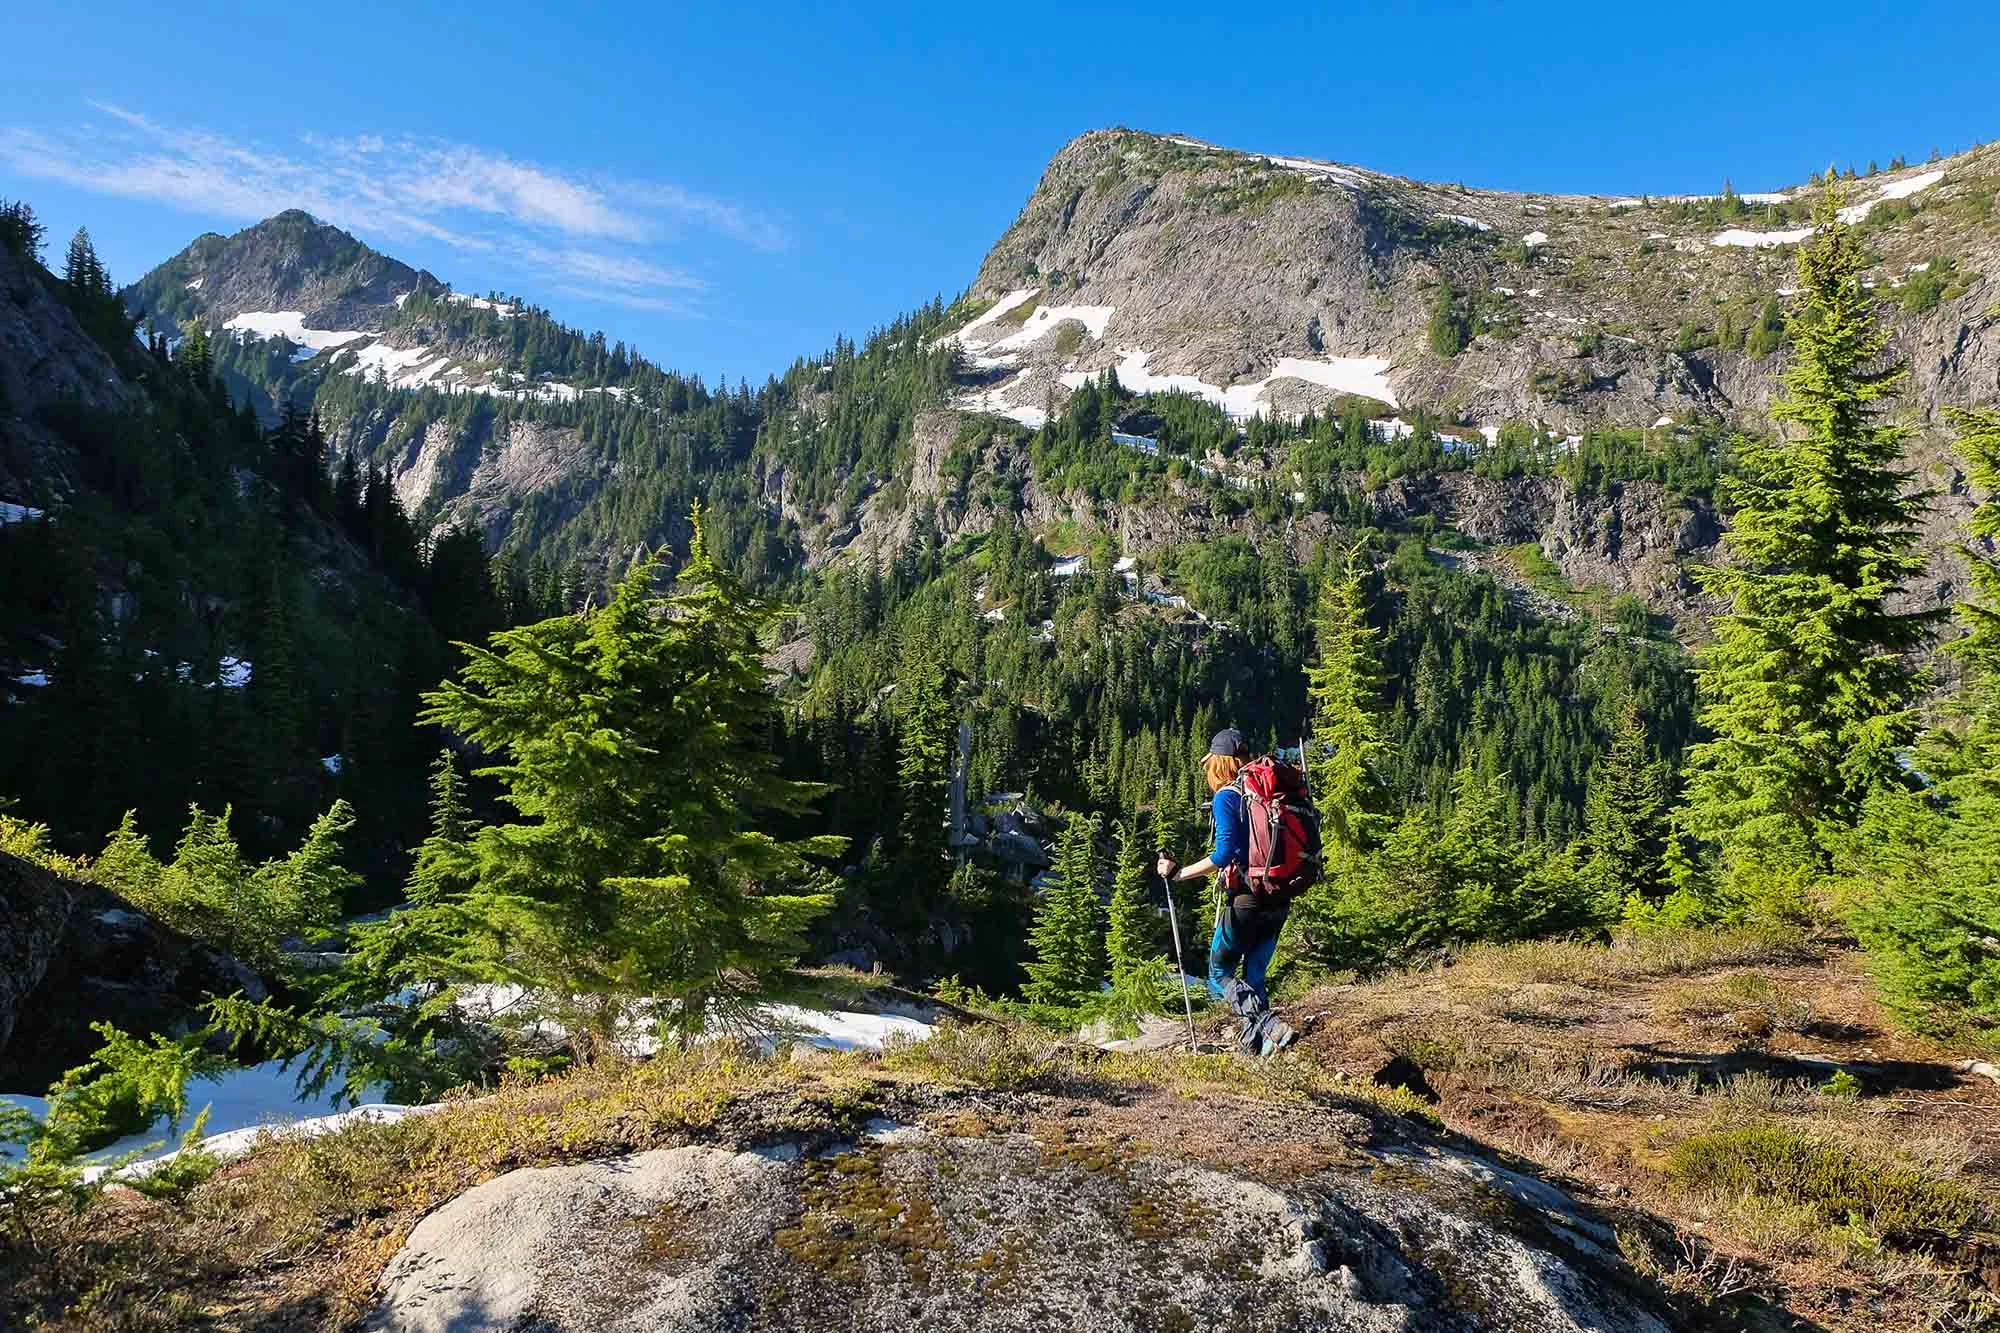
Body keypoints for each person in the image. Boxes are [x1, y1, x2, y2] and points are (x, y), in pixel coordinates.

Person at [1155, 729, 1296, 1056]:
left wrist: (1179, 874)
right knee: (1255, 973)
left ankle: (1268, 1024)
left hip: (1247, 899)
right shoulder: (1268, 793)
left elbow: (1223, 854)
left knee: (1219, 973)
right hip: (1279, 896)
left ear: (1218, 764)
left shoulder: (1227, 796)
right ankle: (1256, 1048)